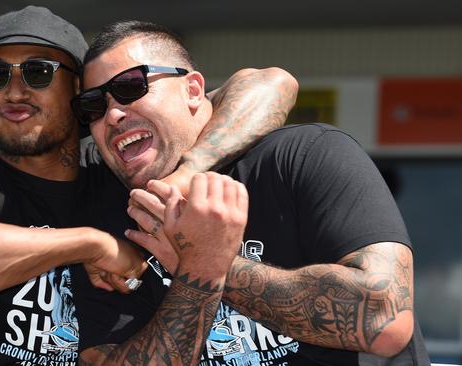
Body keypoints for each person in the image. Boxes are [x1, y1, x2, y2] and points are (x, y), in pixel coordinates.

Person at [0, 5, 298, 366]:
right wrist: (95, 245)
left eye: (38, 72)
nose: (14, 90)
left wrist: (189, 169)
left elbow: (270, 83)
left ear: (79, 93)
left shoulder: (121, 173)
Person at [69, 21, 431, 365]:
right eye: (93, 107)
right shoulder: (111, 213)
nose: (113, 114)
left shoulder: (304, 156)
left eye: (131, 86)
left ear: (194, 90)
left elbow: (384, 321)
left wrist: (209, 264)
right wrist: (196, 279)